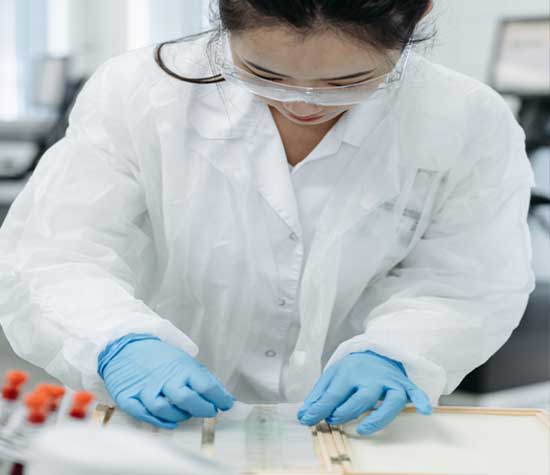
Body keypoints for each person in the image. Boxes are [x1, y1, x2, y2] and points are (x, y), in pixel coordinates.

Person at [0, 0, 535, 436]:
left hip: (353, 429)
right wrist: (119, 340)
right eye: (264, 74)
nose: (304, 106)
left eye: (348, 82)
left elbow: (468, 280)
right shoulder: (140, 92)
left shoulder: (466, 121)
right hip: (163, 421)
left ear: (417, 17)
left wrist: (399, 353)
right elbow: (56, 250)